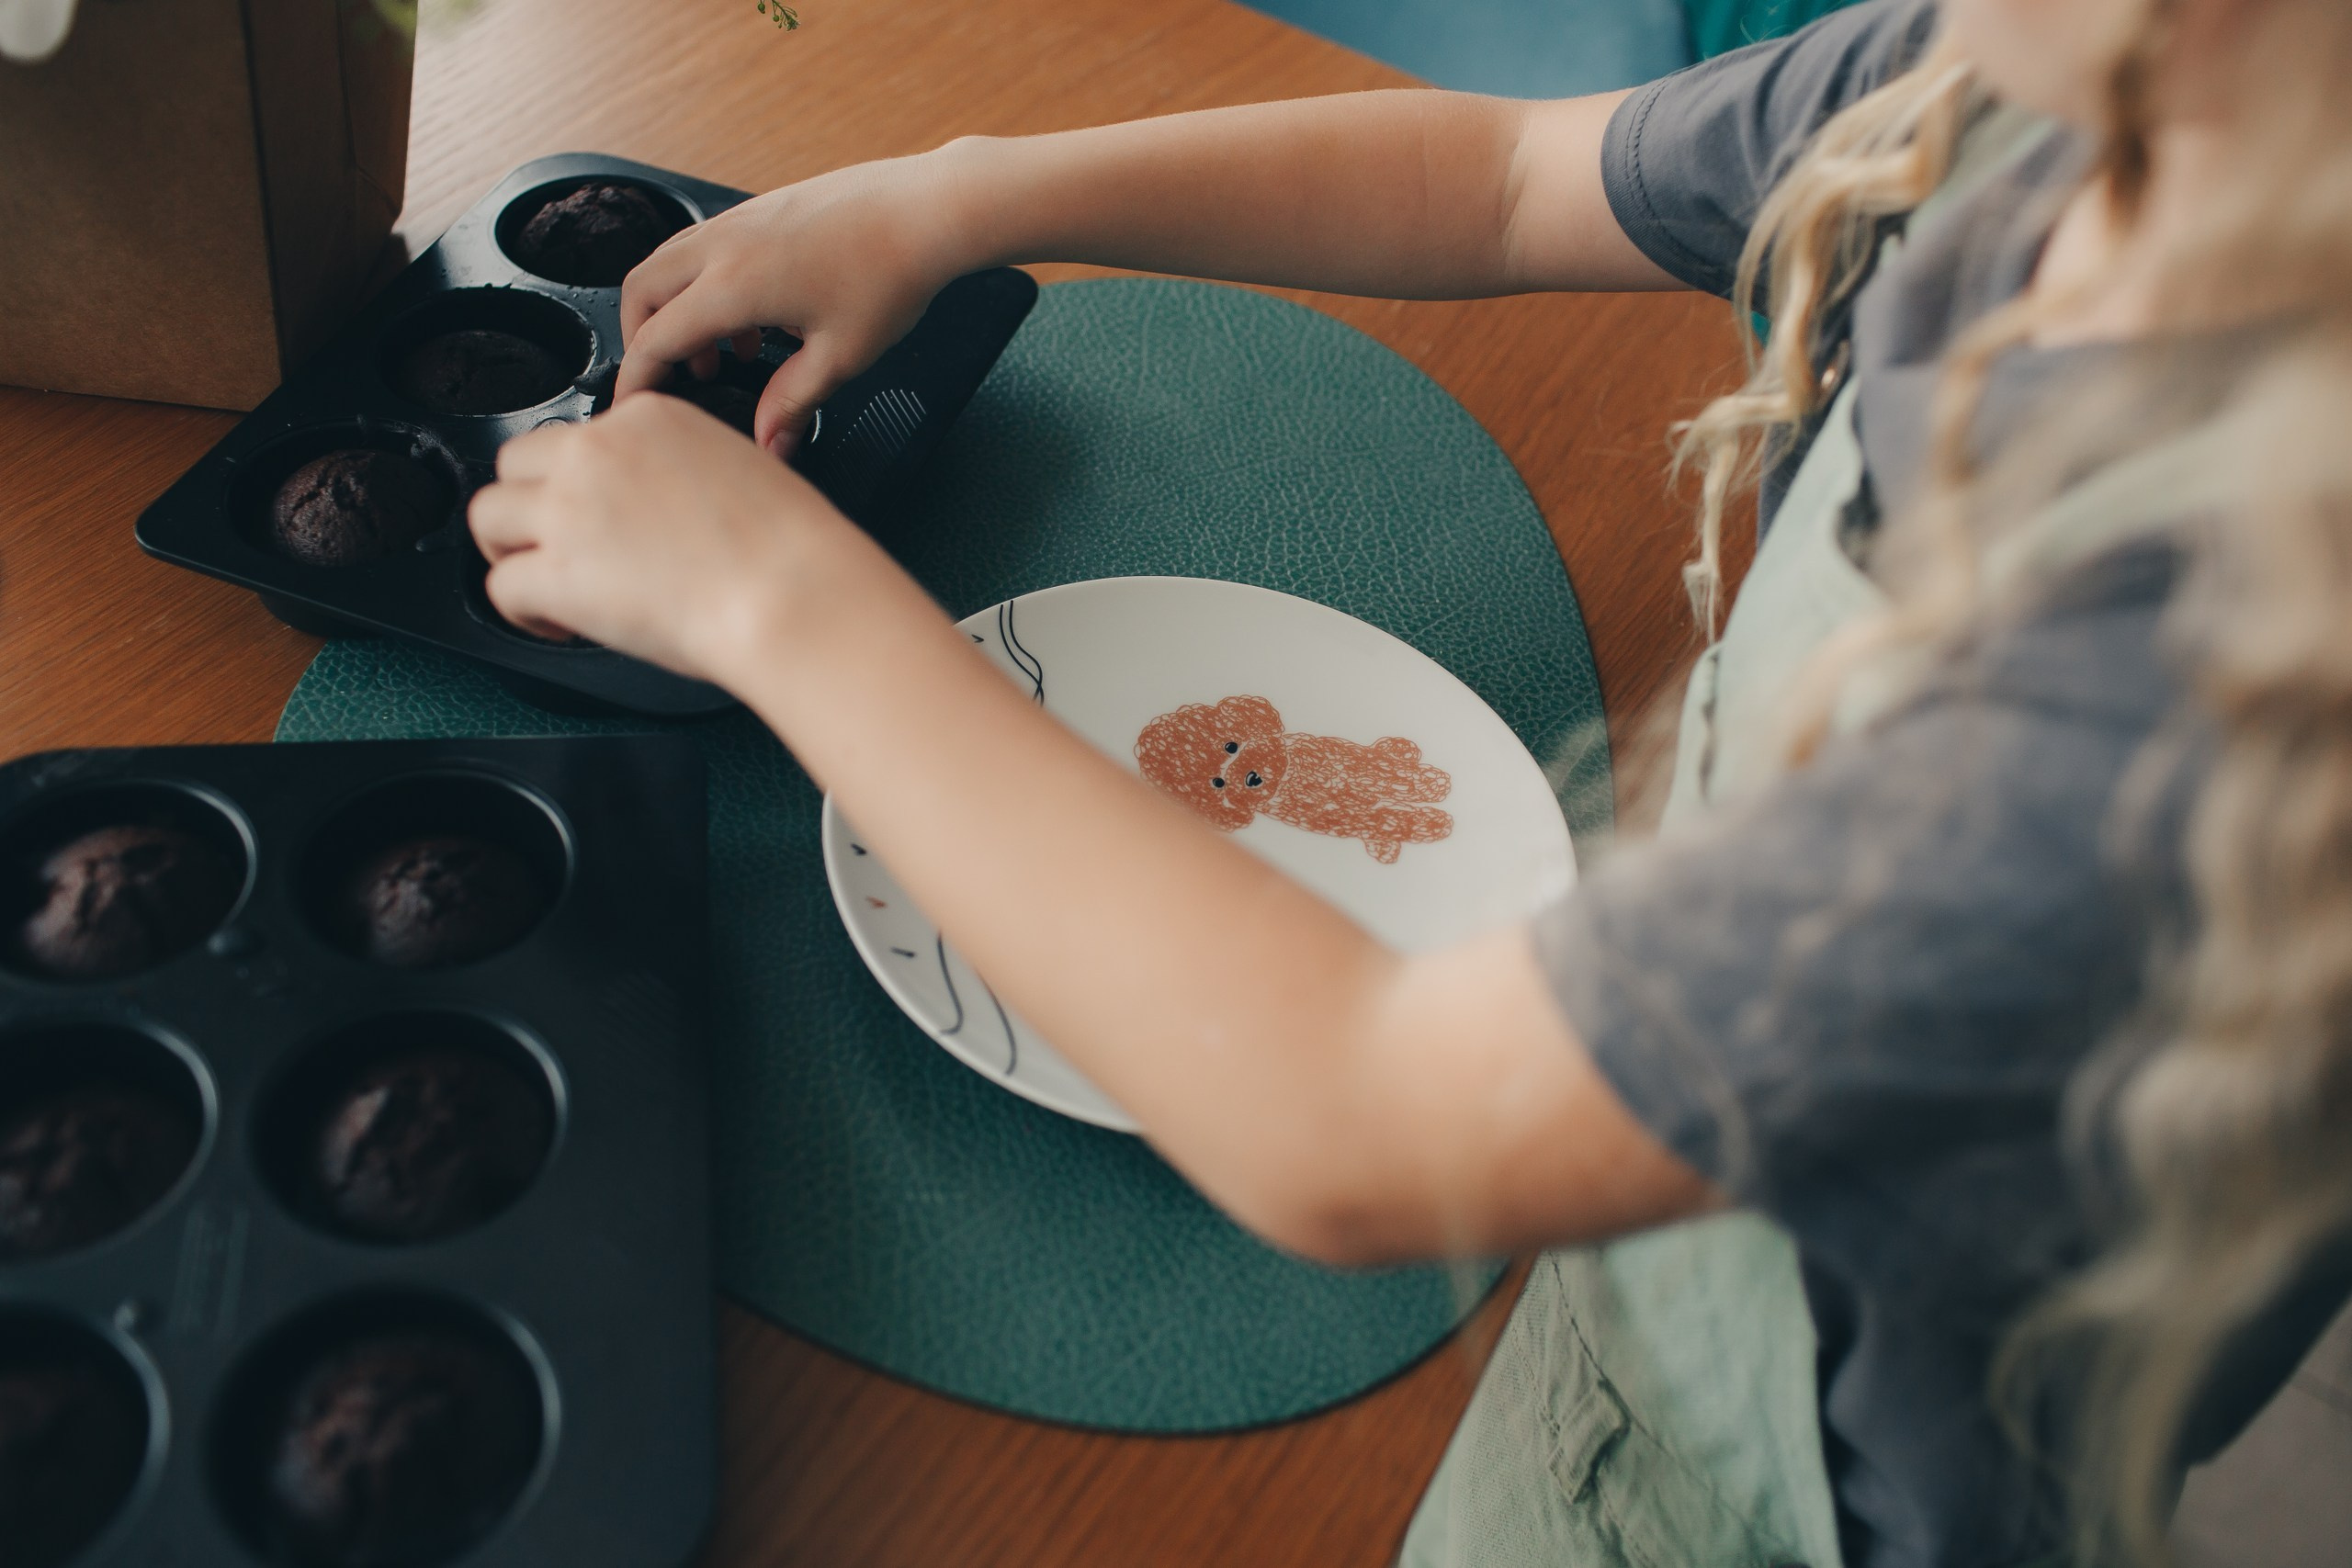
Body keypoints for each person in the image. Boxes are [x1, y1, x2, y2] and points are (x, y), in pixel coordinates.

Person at [465, 1, 2352, 1562]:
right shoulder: (2011, 94)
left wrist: (769, 593)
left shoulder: (2185, 696)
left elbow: (1358, 1110)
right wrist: (960, 198)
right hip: (1675, 1156)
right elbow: (1511, 172)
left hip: (1771, 1495)